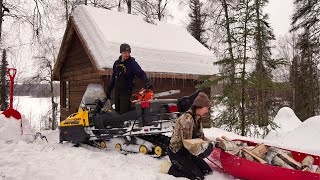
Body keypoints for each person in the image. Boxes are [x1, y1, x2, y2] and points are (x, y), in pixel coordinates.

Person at [163, 92, 213, 180]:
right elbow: (188, 145)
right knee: (197, 177)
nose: (207, 111)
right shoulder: (187, 119)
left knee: (207, 171)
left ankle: (185, 166)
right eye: (206, 108)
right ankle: (170, 169)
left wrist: (211, 143)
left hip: (187, 152)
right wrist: (202, 151)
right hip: (177, 153)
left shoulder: (197, 118)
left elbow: (201, 137)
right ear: (199, 107)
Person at [106, 43, 152, 114]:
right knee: (117, 111)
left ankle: (125, 124)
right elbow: (113, 77)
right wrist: (109, 90)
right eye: (125, 52)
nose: (127, 54)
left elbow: (140, 73)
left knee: (124, 113)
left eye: (128, 52)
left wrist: (147, 81)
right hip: (117, 92)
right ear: (121, 52)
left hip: (126, 92)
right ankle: (118, 125)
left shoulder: (132, 63)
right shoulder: (116, 63)